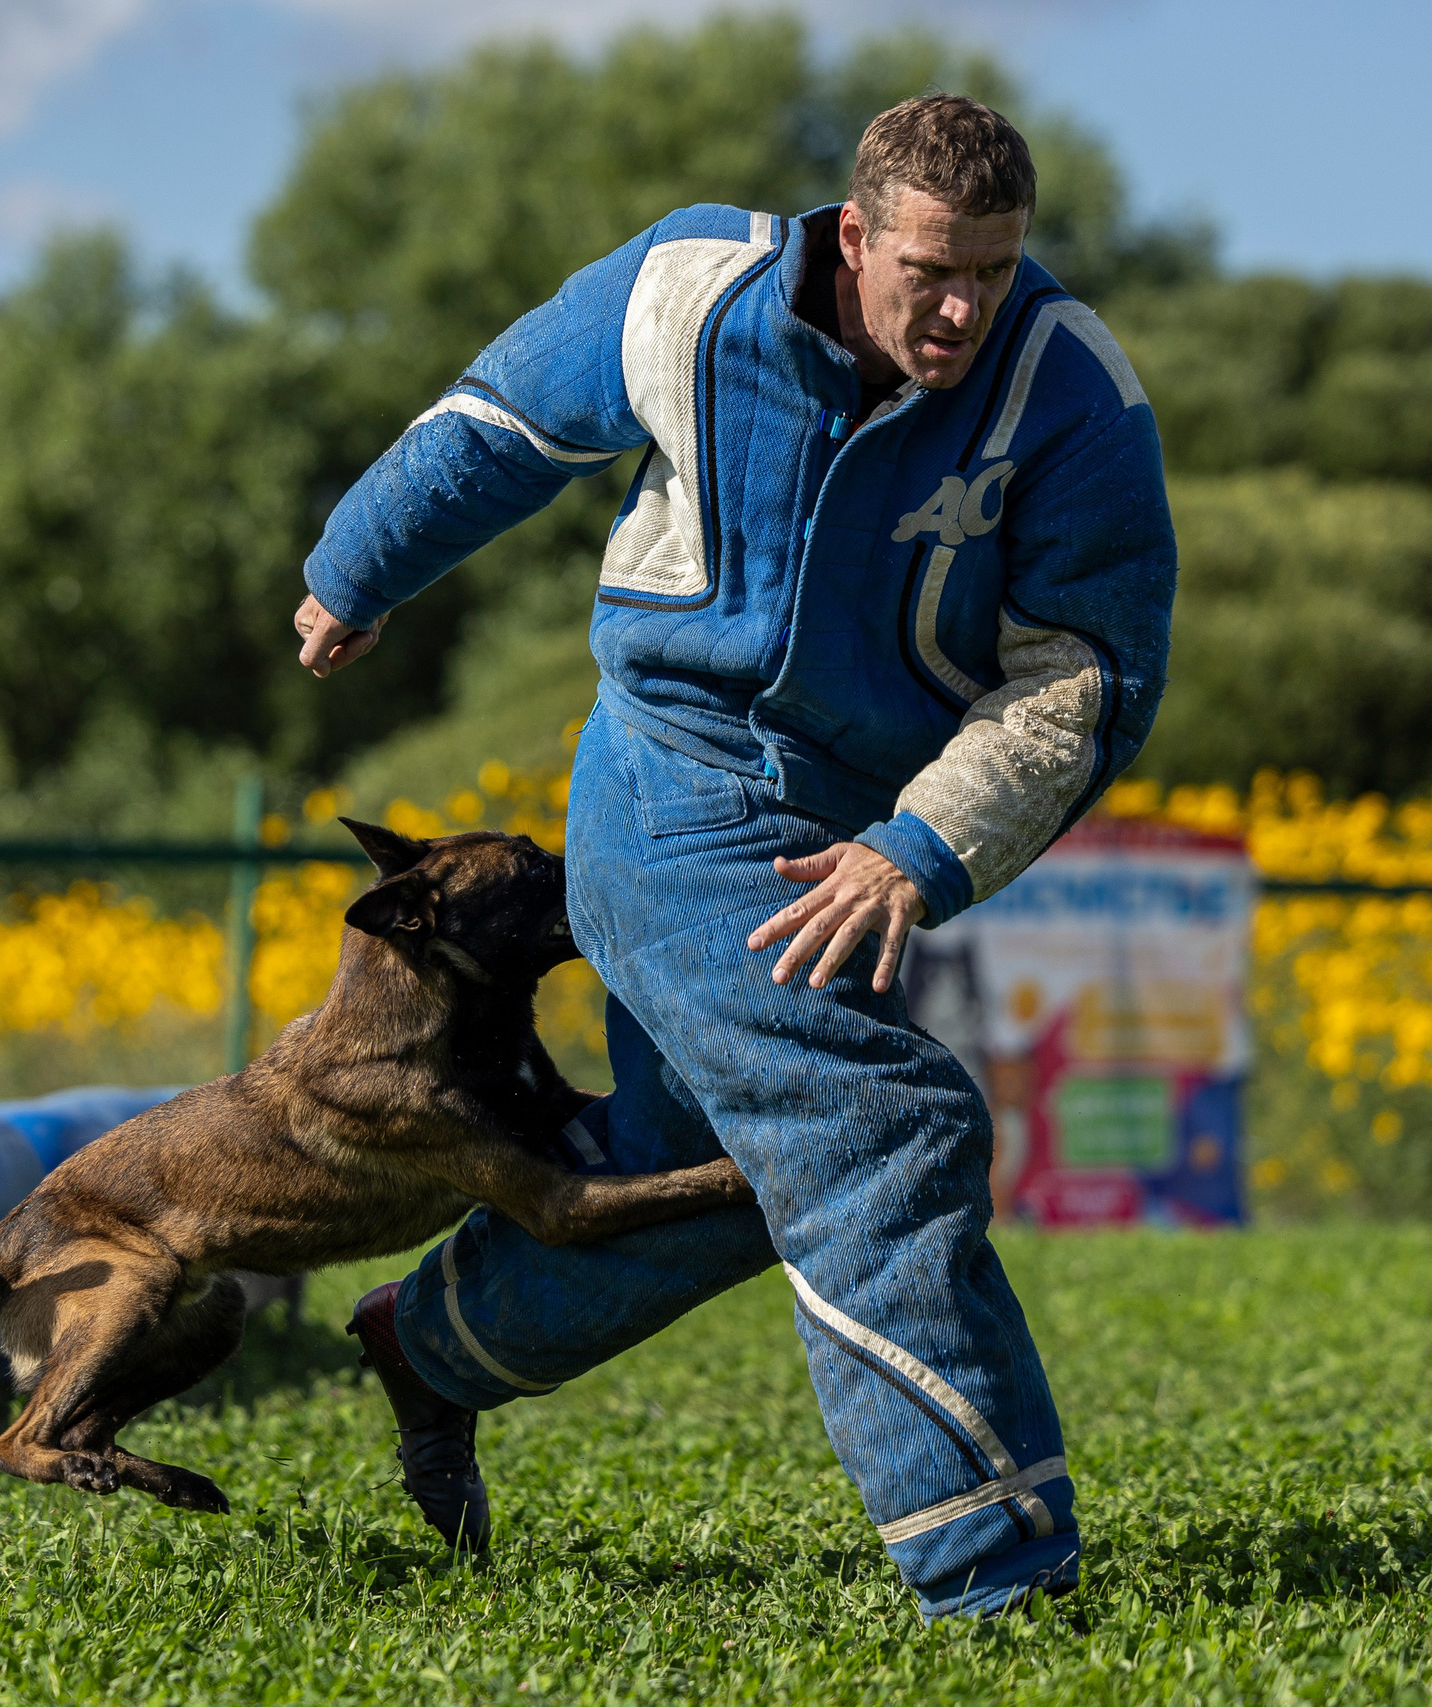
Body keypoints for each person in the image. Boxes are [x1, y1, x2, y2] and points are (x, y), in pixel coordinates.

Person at [289, 94, 1176, 1621]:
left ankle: (431, 1345)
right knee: (878, 1130)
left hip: (851, 833)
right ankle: (1002, 1577)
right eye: (930, 271)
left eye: (996, 271)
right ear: (856, 235)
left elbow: (1087, 678)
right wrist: (355, 568)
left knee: (713, 1184)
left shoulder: (1071, 392)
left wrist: (919, 848)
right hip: (670, 793)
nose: (964, 308)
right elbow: (503, 423)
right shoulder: (686, 289)